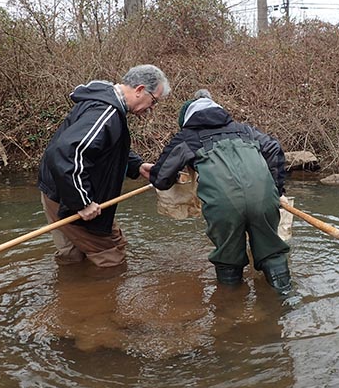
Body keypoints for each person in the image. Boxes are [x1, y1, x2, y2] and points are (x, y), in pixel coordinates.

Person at [148, 89, 292, 292]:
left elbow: (160, 179)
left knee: (228, 258)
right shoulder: (246, 131)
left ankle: (229, 312)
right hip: (264, 199)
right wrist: (276, 189)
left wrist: (182, 170)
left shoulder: (187, 137)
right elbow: (274, 149)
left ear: (187, 119)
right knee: (272, 252)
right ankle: (285, 300)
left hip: (224, 206)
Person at [38, 64, 170, 268]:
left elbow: (102, 148)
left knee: (72, 257)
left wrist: (136, 166)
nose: (152, 108)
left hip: (58, 189)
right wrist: (81, 202)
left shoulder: (106, 103)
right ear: (140, 90)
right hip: (66, 196)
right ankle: (102, 298)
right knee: (111, 258)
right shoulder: (106, 111)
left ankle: (67, 296)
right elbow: (67, 153)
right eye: (154, 101)